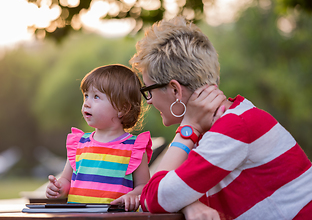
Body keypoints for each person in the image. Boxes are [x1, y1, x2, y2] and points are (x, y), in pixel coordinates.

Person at [130, 16, 312, 219]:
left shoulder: (233, 127)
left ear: (175, 90)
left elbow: (151, 197)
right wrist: (190, 204)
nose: (149, 101)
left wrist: (187, 128)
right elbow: (165, 191)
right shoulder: (221, 125)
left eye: (148, 90)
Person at [45, 64, 152, 212]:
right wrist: (59, 188)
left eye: (96, 97)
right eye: (86, 96)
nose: (87, 103)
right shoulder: (79, 144)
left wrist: (133, 195)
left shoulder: (134, 147)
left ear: (123, 108)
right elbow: (66, 180)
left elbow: (144, 187)